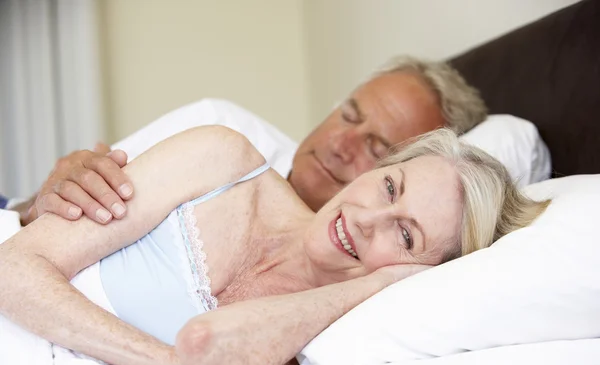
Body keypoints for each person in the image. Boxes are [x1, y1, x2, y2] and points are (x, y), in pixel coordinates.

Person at [0, 126, 549, 365]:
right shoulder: (223, 160)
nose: (364, 219)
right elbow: (14, 267)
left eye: (405, 236)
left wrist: (376, 286)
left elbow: (207, 342)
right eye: (389, 187)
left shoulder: (334, 340)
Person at [8, 56, 487, 225]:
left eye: (378, 149)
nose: (342, 143)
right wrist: (47, 197)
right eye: (348, 115)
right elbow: (41, 214)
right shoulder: (222, 128)